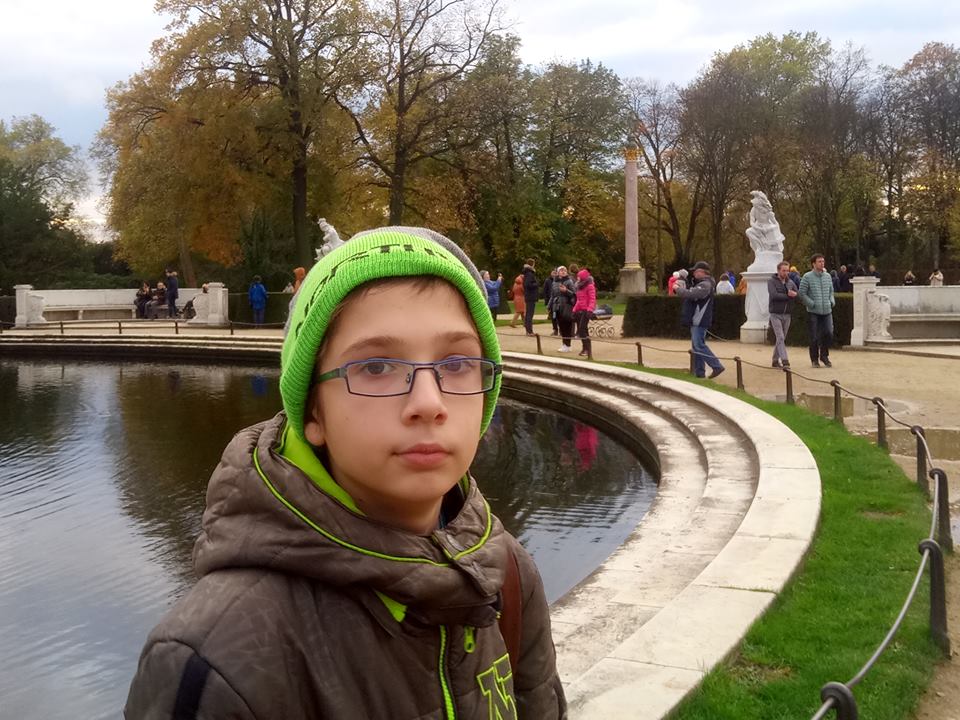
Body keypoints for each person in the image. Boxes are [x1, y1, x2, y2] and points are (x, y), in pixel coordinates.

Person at [124, 226, 567, 719]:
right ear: (313, 412)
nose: (429, 402)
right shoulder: (216, 662)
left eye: (458, 362)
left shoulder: (507, 575)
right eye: (376, 367)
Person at [676, 261, 724, 379]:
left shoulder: (705, 285)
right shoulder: (703, 284)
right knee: (696, 346)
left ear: (702, 272)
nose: (694, 273)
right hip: (697, 319)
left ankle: (716, 366)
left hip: (699, 318)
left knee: (699, 345)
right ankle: (699, 373)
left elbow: (692, 294)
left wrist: (678, 289)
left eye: (696, 271)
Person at [799, 253, 835, 368]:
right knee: (814, 336)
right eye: (819, 261)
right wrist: (811, 304)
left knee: (829, 333)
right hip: (813, 312)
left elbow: (831, 291)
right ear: (813, 264)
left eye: (823, 261)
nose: (822, 263)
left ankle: (824, 356)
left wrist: (831, 300)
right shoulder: (807, 277)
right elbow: (802, 293)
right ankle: (814, 359)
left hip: (827, 310)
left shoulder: (828, 276)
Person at [768, 261, 798, 368]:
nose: (786, 273)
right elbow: (774, 295)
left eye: (787, 270)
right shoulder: (771, 282)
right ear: (778, 271)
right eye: (783, 270)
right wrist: (788, 296)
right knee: (780, 337)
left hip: (787, 314)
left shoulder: (791, 282)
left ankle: (775, 360)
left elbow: (797, 294)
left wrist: (795, 294)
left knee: (781, 338)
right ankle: (785, 360)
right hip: (775, 314)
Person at [550, 265, 576, 352]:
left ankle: (567, 345)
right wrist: (549, 306)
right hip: (557, 306)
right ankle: (564, 344)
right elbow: (552, 295)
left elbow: (574, 294)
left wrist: (566, 291)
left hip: (567, 306)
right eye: (561, 270)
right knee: (561, 326)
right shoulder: (554, 282)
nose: (563, 271)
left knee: (567, 326)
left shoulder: (569, 281)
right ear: (558, 273)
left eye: (564, 270)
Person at [572, 267, 596, 357]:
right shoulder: (580, 286)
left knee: (581, 329)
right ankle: (586, 348)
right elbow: (579, 300)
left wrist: (590, 310)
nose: (577, 278)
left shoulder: (590, 286)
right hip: (581, 309)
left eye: (579, 277)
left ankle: (586, 349)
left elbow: (592, 299)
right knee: (583, 329)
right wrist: (574, 310)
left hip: (587, 310)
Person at [522, 258, 539, 336]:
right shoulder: (529, 273)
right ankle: (529, 331)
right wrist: (536, 284)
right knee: (530, 314)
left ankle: (528, 330)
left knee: (528, 313)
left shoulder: (527, 273)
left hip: (529, 295)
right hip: (530, 296)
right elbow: (527, 284)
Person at [542, 268, 558, 336]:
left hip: (558, 302)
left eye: (555, 273)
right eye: (553, 272)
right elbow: (545, 291)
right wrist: (547, 301)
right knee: (553, 317)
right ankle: (555, 329)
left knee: (560, 317)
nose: (554, 274)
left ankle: (561, 329)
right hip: (551, 301)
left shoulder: (559, 281)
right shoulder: (547, 280)